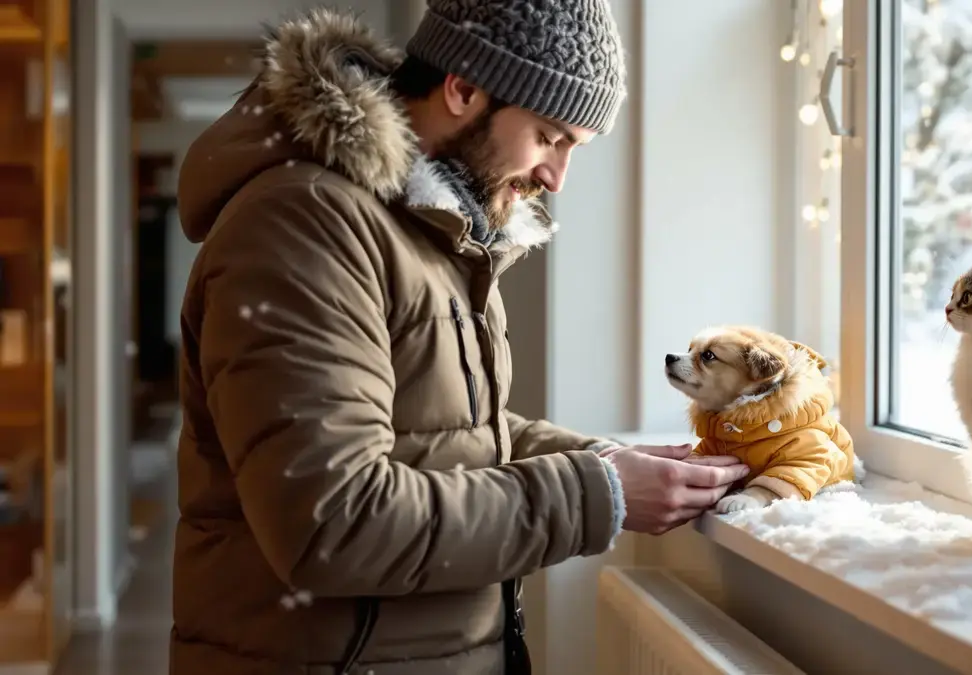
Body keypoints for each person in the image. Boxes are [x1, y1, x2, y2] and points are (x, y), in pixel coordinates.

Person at [169, 3, 749, 674]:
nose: (556, 177)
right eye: (549, 136)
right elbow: (333, 522)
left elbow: (447, 435)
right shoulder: (304, 226)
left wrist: (606, 459)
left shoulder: (434, 228)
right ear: (464, 88)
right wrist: (600, 492)